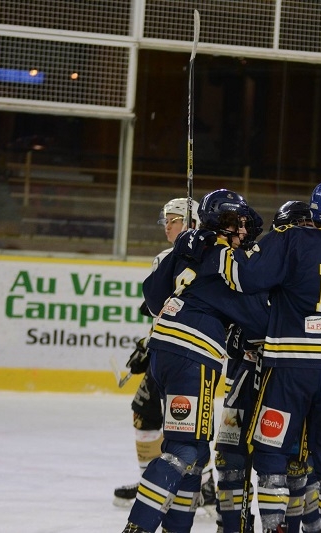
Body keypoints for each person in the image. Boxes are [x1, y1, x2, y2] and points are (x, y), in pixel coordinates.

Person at [179, 182, 321, 532]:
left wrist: (214, 246)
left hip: (290, 368)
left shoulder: (290, 240)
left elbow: (244, 277)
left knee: (272, 451)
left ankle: (274, 525)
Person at [122, 189, 269, 533]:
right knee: (185, 451)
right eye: (238, 222)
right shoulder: (227, 259)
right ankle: (138, 526)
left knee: (197, 452)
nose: (244, 230)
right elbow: (257, 322)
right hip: (194, 357)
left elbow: (154, 298)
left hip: (163, 350)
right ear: (223, 222)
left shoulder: (187, 245)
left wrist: (183, 252)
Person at [213, 200, 320, 533]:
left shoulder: (316, 279)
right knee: (230, 463)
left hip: (287, 381)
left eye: (310, 228)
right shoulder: (259, 264)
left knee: (295, 466)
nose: (303, 236)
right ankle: (231, 528)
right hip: (245, 379)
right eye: (295, 227)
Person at [113, 198, 210, 508]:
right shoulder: (164, 258)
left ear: (192, 222)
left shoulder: (211, 257)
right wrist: (147, 344)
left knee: (185, 425)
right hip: (164, 352)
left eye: (175, 220)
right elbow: (161, 311)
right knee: (145, 414)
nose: (167, 226)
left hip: (191, 355)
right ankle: (148, 484)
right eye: (165, 220)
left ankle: (203, 487)